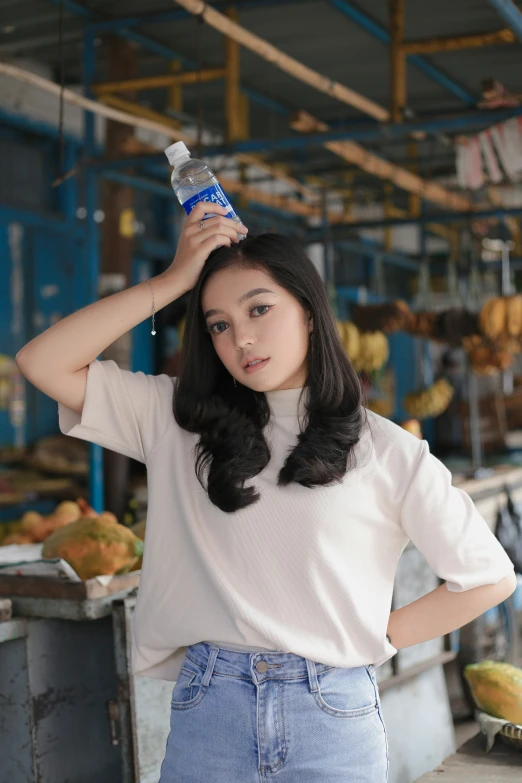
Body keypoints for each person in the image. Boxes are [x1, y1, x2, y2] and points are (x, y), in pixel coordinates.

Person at [16, 201, 516, 782]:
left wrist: (376, 637)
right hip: (211, 712)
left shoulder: (384, 448)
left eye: (260, 309)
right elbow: (41, 361)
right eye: (219, 324)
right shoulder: (175, 420)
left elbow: (488, 577)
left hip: (332, 715)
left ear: (308, 311)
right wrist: (171, 281)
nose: (242, 339)